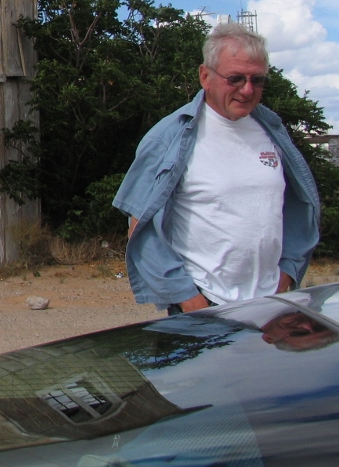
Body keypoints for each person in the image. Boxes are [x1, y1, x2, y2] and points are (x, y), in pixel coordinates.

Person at [113, 22, 320, 312]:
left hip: (271, 305)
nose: (247, 90)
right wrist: (189, 300)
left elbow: (298, 207)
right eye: (235, 78)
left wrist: (287, 274)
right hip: (206, 305)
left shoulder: (272, 130)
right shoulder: (168, 137)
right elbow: (140, 228)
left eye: (257, 80)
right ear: (205, 76)